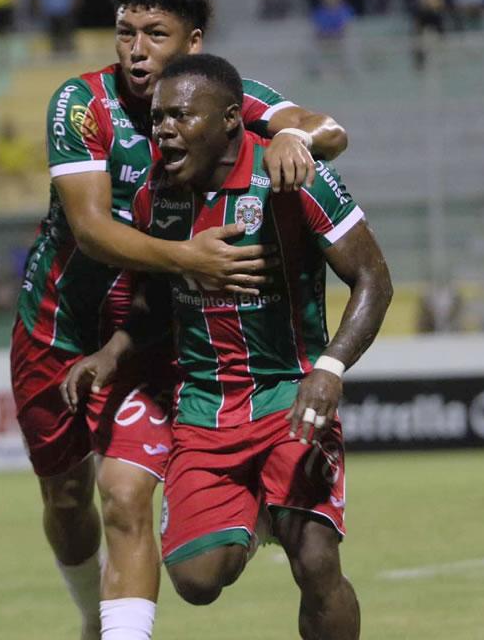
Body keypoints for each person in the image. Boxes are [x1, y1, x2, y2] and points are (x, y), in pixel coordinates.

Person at [12, 0, 348, 640]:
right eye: (126, 32)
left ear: (193, 42)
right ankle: (89, 616)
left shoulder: (223, 96)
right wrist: (189, 258)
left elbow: (329, 130)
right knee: (66, 496)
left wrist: (288, 134)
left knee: (127, 494)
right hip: (58, 328)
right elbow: (91, 229)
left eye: (156, 35)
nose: (137, 51)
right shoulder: (81, 104)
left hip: (155, 331)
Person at [63, 53, 391, 640]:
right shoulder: (154, 200)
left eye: (181, 116)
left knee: (315, 561)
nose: (163, 130)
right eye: (158, 118)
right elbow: (154, 303)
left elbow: (373, 278)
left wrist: (330, 368)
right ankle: (260, 509)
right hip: (204, 411)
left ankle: (284, 508)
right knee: (196, 578)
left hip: (289, 397)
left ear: (232, 121)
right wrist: (111, 353)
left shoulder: (293, 176)